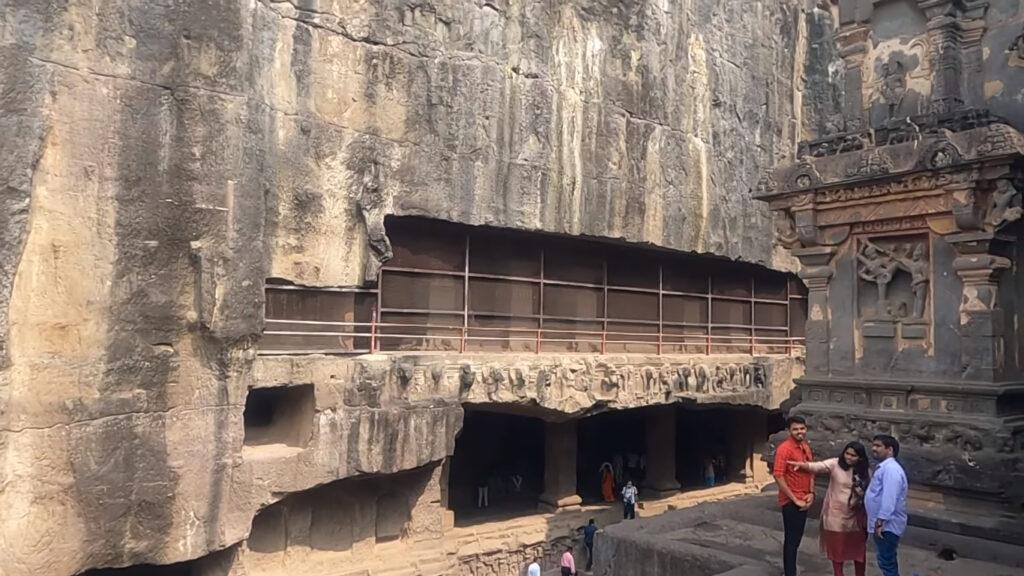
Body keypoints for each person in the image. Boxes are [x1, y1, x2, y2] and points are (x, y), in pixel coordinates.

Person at [789, 442, 870, 576]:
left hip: (856, 516)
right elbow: (818, 466)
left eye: (853, 455)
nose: (848, 457)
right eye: (847, 453)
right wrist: (803, 465)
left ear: (860, 458)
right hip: (835, 516)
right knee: (837, 550)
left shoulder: (866, 472)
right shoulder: (835, 464)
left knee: (858, 551)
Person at [773, 415, 814, 576]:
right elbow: (778, 475)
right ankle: (790, 572)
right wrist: (794, 498)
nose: (799, 432)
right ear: (789, 431)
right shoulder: (785, 449)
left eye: (802, 428)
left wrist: (811, 493)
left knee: (796, 539)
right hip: (791, 500)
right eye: (795, 429)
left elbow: (811, 470)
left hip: (805, 497)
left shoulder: (805, 446)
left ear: (806, 429)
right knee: (791, 540)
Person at [866, 435, 908, 576]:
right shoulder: (885, 468)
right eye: (874, 445)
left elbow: (890, 497)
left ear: (889, 450)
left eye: (878, 446)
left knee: (886, 561)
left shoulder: (891, 470)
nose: (874, 449)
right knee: (887, 559)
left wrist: (880, 521)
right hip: (884, 524)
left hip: (887, 525)